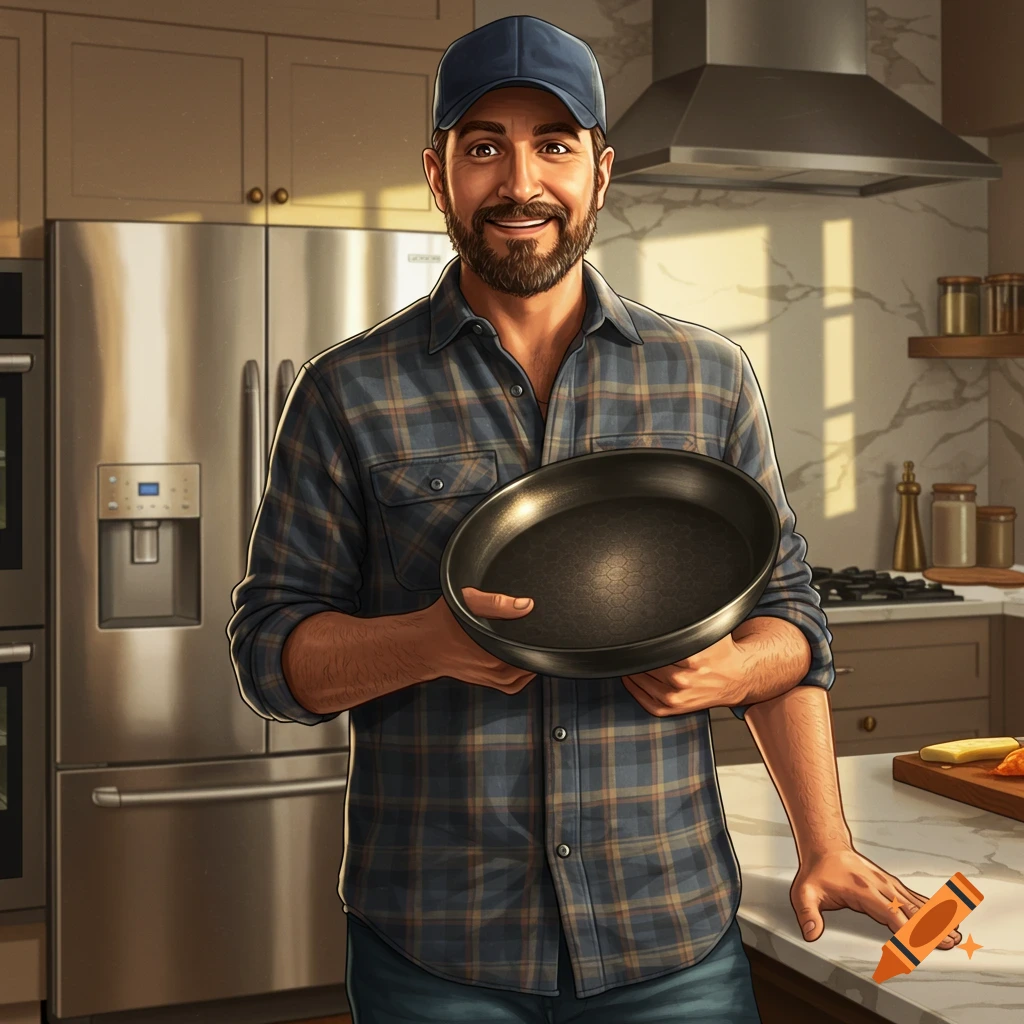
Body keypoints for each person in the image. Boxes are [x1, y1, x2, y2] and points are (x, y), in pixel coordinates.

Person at [227, 15, 960, 1023]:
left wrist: (808, 809)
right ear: (437, 175)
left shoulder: (704, 377)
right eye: (482, 146)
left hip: (668, 932)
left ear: (601, 173)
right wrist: (431, 642)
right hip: (438, 946)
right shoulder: (345, 392)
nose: (518, 181)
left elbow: (791, 619)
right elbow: (274, 654)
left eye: (554, 145)